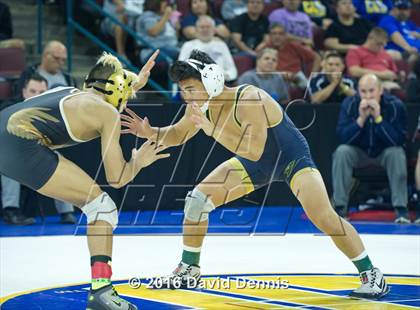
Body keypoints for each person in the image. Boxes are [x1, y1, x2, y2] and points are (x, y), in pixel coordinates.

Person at [121, 49, 390, 300]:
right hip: (256, 163)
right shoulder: (200, 107)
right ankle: (189, 268)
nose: (186, 97)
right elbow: (178, 135)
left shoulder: (250, 98)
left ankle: (372, 274)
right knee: (197, 201)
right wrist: (151, 133)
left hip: (290, 159)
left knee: (323, 216)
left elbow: (252, 149)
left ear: (211, 80)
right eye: (183, 91)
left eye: (190, 89)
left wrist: (211, 129)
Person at [0, 50, 169, 309]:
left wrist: (134, 82)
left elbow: (111, 83)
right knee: (102, 207)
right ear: (117, 91)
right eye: (126, 93)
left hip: (5, 127)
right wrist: (139, 162)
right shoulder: (107, 113)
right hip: (20, 144)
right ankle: (101, 291)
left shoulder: (69, 90)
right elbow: (117, 178)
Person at [332, 74, 409, 223]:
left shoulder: (395, 105)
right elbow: (342, 137)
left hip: (384, 153)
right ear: (358, 91)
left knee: (397, 153)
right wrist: (360, 120)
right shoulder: (349, 103)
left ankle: (401, 209)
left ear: (381, 90)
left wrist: (378, 118)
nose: (367, 96)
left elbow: (397, 140)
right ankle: (340, 207)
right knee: (342, 151)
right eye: (363, 91)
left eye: (371, 91)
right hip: (359, 153)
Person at [1, 73, 76, 225]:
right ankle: (11, 211)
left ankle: (66, 211)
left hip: (36, 151)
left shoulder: (50, 111)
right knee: (8, 161)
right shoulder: (8, 107)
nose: (36, 96)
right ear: (23, 92)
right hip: (11, 152)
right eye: (32, 91)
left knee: (60, 161)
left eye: (41, 93)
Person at [258, 23, 321, 89]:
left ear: (285, 36)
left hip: (296, 76)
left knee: (311, 89)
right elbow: (259, 68)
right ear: (270, 36)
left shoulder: (293, 46)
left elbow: (317, 57)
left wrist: (313, 77)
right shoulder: (265, 48)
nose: (277, 37)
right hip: (274, 76)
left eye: (280, 34)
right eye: (274, 34)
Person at [178, 15, 237, 82]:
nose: (205, 30)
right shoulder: (188, 45)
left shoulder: (221, 45)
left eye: (208, 27)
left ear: (214, 30)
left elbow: (232, 69)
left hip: (221, 82)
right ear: (196, 29)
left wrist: (227, 76)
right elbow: (180, 69)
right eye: (202, 27)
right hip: (197, 83)